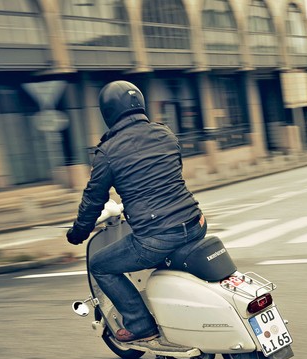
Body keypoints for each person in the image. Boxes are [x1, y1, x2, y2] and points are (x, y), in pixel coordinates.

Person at [66, 80, 206, 343]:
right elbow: (173, 170)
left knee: (101, 265)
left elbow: (93, 200)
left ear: (107, 112)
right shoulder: (166, 133)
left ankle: (140, 324)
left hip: (157, 236)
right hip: (196, 222)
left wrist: (78, 233)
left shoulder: (108, 152)